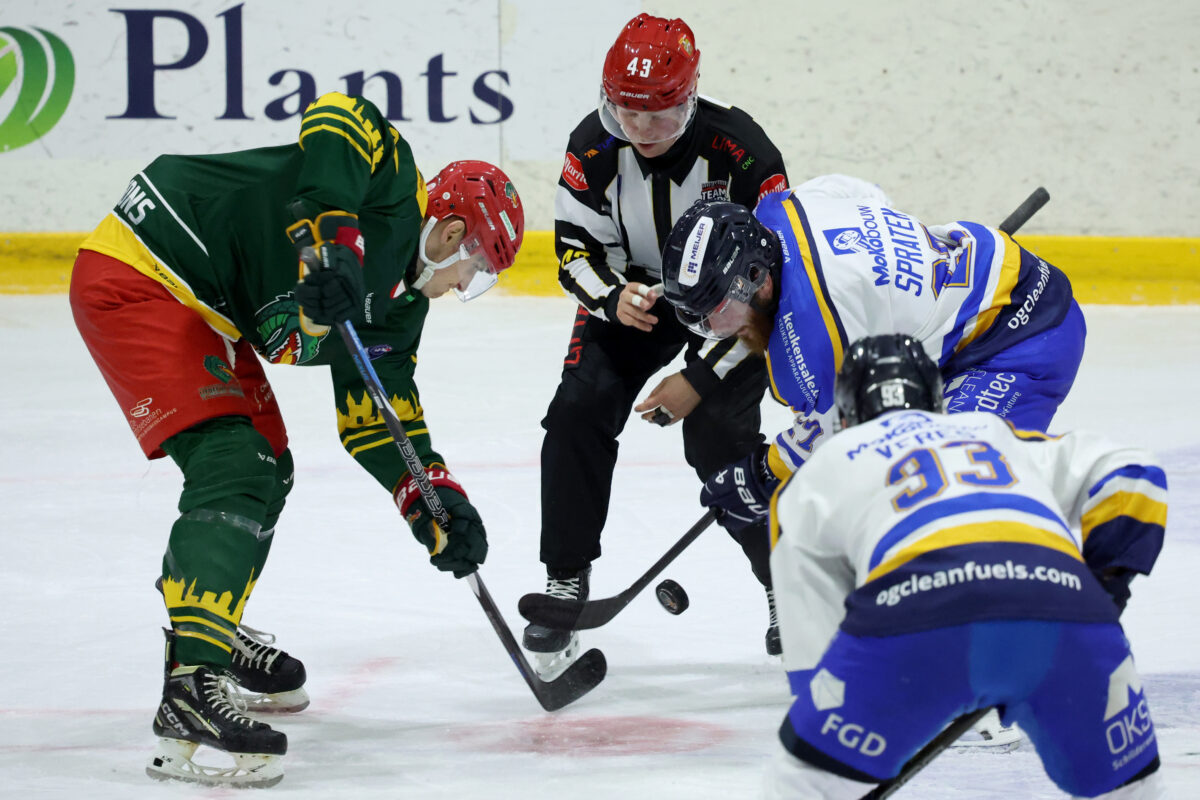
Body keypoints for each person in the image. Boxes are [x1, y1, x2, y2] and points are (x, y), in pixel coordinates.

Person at [68, 91, 524, 788]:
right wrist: (333, 245)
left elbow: (379, 421)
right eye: (478, 270)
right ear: (450, 231)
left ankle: (211, 627)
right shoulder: (393, 186)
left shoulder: (397, 316)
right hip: (146, 266)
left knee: (268, 465)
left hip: (202, 305)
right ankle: (192, 682)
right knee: (236, 463)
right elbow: (337, 115)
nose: (465, 286)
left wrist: (431, 499)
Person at [763, 334, 1166, 798]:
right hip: (1066, 613)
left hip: (911, 619)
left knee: (801, 786)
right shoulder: (992, 432)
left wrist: (831, 742)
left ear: (846, 415)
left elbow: (815, 659)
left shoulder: (817, 471)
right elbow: (1134, 472)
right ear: (936, 401)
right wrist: (1103, 587)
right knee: (1131, 790)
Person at [523, 12, 792, 671]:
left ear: (691, 96)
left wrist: (699, 378)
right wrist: (610, 296)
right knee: (577, 411)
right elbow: (573, 254)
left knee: (721, 447)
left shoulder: (747, 154)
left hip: (731, 306)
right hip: (635, 296)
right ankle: (566, 575)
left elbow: (777, 287)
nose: (641, 132)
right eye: (626, 113)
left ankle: (789, 586)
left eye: (660, 116)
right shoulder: (590, 148)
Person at [658, 190, 1087, 548]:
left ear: (758, 278)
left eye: (716, 312)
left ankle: (1026, 590)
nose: (713, 329)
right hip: (977, 281)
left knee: (950, 490)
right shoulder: (782, 209)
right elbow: (868, 197)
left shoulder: (814, 331)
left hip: (1025, 335)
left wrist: (761, 473)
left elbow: (830, 430)